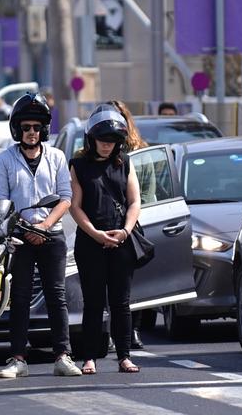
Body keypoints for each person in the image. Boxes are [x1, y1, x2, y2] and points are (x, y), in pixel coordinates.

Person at [0, 92, 82, 378]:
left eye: (36, 127)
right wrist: (25, 229)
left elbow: (65, 198)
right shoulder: (4, 160)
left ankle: (63, 356)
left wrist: (44, 227)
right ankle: (18, 358)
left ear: (44, 129)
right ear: (17, 129)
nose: (31, 133)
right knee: (19, 297)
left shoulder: (56, 157)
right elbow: (0, 201)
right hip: (19, 237)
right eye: (26, 127)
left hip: (51, 234)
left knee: (57, 295)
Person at [69, 104, 142, 375]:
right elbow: (75, 206)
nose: (107, 146)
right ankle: (89, 357)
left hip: (121, 240)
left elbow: (135, 201)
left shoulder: (125, 163)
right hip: (90, 242)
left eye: (112, 141)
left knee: (122, 302)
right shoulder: (78, 165)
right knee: (94, 301)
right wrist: (96, 234)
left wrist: (125, 230)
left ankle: (124, 356)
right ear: (91, 139)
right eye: (102, 140)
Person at [110, 100, 152, 350]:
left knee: (132, 285)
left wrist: (132, 219)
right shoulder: (94, 151)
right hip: (104, 225)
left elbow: (148, 194)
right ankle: (111, 334)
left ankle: (132, 330)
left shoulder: (139, 151)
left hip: (132, 224)